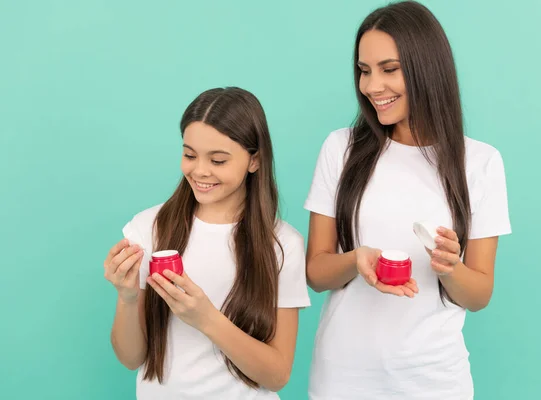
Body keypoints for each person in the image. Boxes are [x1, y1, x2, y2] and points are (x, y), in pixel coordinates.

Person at [303, 1, 511, 399]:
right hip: (342, 377)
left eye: (389, 69)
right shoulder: (340, 149)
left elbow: (479, 295)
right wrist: (355, 260)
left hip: (434, 380)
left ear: (425, 68)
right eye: (364, 71)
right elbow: (316, 272)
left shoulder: (481, 163)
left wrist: (450, 267)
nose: (371, 86)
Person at [103, 87, 310, 399]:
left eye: (218, 160)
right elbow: (131, 358)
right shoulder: (148, 228)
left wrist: (207, 319)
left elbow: (278, 374)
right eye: (189, 155)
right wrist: (127, 298)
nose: (199, 170)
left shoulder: (282, 244)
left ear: (254, 160)